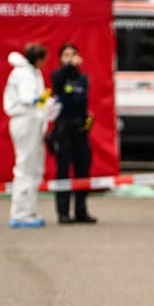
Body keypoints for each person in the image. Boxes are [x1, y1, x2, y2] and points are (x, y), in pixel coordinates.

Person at [2, 43, 52, 229]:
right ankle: (20, 214)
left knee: (34, 167)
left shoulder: (32, 72)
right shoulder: (24, 73)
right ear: (37, 58)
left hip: (32, 121)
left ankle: (28, 210)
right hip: (25, 121)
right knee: (25, 166)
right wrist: (42, 99)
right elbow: (27, 97)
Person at [50, 42, 97, 224]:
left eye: (73, 54)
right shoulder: (58, 76)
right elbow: (59, 82)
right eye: (66, 55)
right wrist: (68, 66)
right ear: (61, 59)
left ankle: (81, 210)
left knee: (83, 169)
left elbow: (81, 99)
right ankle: (63, 212)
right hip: (63, 129)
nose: (70, 58)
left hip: (79, 129)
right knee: (63, 171)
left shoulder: (82, 78)